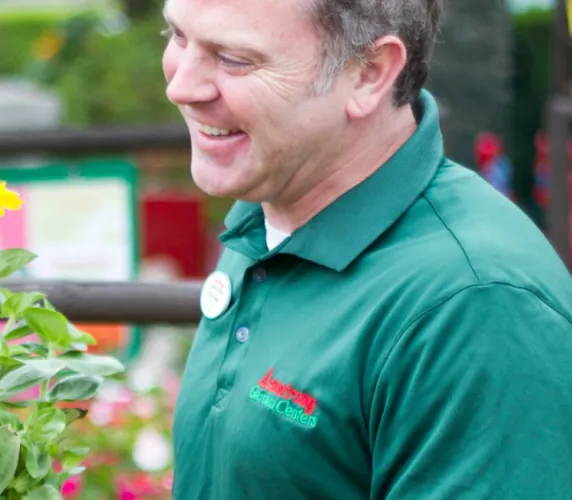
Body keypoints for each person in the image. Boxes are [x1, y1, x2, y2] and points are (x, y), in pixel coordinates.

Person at [162, 0, 572, 498]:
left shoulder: (476, 303)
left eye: (234, 59)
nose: (181, 85)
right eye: (178, 35)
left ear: (369, 74)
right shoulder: (274, 204)